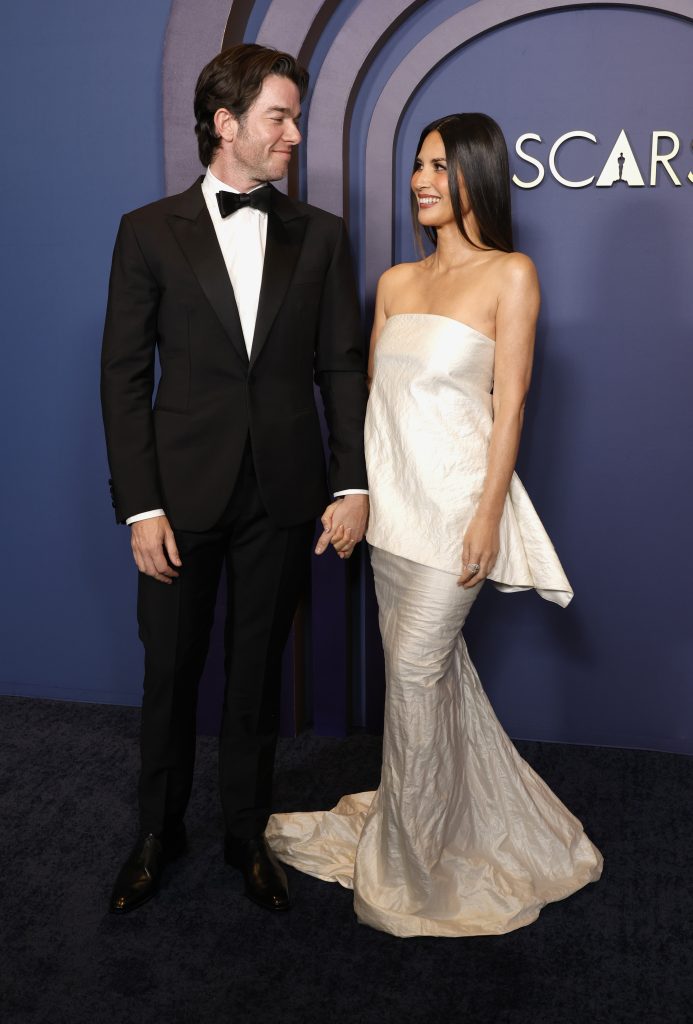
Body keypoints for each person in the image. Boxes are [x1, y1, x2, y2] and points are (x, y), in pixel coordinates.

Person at [266, 113, 603, 937]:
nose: (420, 179)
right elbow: (369, 406)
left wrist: (487, 517)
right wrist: (355, 498)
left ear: (476, 175)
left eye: (439, 166)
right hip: (393, 518)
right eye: (417, 165)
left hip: (456, 515)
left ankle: (412, 868)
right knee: (429, 681)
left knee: (414, 678)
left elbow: (510, 403)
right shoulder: (393, 283)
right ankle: (451, 820)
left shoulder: (509, 275)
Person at [101, 43, 369, 915]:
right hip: (178, 498)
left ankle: (244, 833)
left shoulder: (321, 234)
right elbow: (123, 377)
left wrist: (351, 483)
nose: (294, 133)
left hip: (284, 495)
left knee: (255, 673)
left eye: (294, 116)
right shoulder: (147, 230)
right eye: (279, 117)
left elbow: (341, 368)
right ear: (227, 124)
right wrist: (140, 506)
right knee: (170, 673)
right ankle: (156, 832)